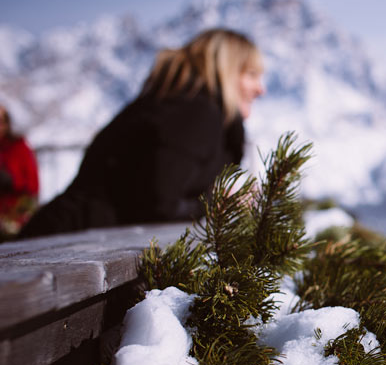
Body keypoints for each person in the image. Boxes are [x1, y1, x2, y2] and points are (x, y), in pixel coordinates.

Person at [20, 28, 265, 237]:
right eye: (251, 75)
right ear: (225, 71)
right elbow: (159, 205)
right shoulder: (194, 113)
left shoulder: (179, 105)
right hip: (68, 246)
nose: (260, 88)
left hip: (76, 238)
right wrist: (220, 206)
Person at [0, 104, 40, 238]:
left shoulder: (18, 147)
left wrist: (11, 181)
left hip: (15, 214)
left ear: (6, 124)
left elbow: (33, 185)